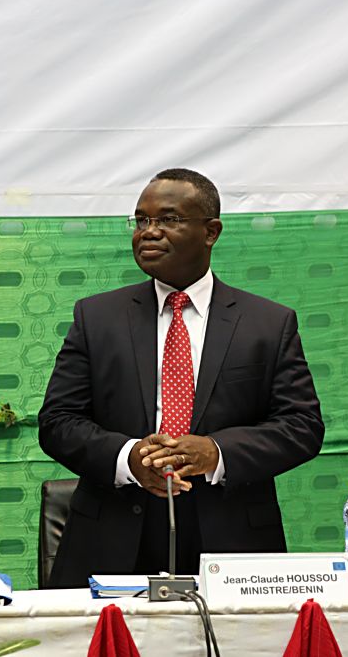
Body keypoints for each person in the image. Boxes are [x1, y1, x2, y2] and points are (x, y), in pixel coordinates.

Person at [38, 168, 324, 588]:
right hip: (113, 536)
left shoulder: (267, 323)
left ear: (211, 232)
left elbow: (302, 427)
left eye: (168, 219)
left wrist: (215, 451)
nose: (149, 232)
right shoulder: (96, 318)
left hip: (230, 539)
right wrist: (130, 457)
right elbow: (58, 422)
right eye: (141, 221)